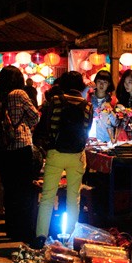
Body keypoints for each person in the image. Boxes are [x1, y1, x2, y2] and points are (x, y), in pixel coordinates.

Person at [32, 70, 93, 249]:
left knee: (48, 197)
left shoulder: (55, 101)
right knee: (74, 198)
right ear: (80, 86)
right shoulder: (88, 106)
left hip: (55, 154)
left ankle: (41, 236)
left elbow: (46, 126)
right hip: (77, 156)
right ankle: (71, 239)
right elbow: (86, 130)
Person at [0, 66, 40, 243]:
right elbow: (35, 116)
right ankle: (24, 230)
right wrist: (25, 125)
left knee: (10, 191)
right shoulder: (19, 94)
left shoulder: (0, 96)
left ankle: (12, 228)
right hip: (21, 146)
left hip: (5, 148)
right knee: (25, 191)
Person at [86, 70, 117, 142]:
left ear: (109, 84)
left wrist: (110, 111)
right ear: (95, 82)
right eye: (99, 81)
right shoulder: (88, 98)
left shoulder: (113, 101)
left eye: (105, 82)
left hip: (107, 139)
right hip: (90, 138)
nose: (101, 85)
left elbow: (116, 123)